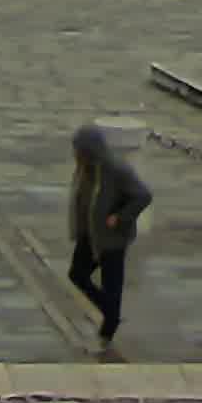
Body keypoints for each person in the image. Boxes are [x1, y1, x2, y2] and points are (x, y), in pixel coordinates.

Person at [65, 122, 151, 347]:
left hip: (113, 238)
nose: (75, 154)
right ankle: (111, 310)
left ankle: (108, 327)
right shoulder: (84, 168)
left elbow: (143, 195)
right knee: (77, 274)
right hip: (90, 233)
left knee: (112, 283)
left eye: (78, 149)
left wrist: (120, 217)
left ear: (89, 150)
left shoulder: (116, 169)